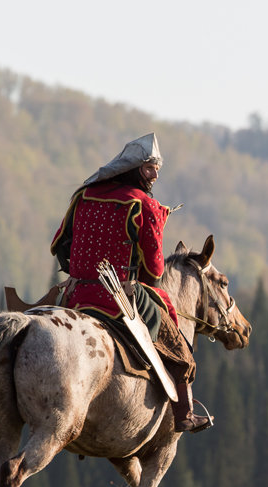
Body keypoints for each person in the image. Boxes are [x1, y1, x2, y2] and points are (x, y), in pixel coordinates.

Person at [50, 133, 212, 433]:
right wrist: (157, 224)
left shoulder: (82, 195)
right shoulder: (143, 205)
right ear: (135, 168)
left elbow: (59, 243)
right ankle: (183, 415)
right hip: (118, 298)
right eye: (150, 168)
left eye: (157, 170)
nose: (154, 176)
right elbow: (154, 269)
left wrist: (77, 271)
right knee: (179, 347)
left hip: (75, 296)